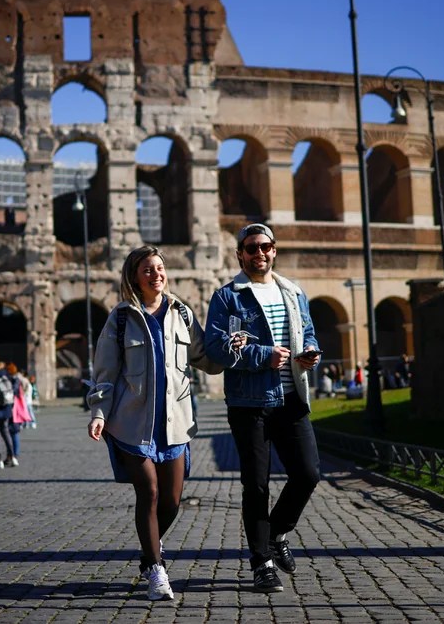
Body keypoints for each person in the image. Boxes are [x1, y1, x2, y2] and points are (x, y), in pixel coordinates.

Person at [86, 245, 228, 602]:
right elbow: (105, 373)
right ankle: (157, 569)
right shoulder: (120, 318)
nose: (156, 274)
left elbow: (203, 359)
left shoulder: (181, 312)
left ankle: (148, 552)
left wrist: (231, 351)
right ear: (135, 276)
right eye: (148, 269)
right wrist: (99, 413)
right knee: (148, 492)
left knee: (173, 500)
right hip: (133, 422)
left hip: (175, 422)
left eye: (160, 268)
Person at [204, 223, 322, 593]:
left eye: (266, 247)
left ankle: (275, 533)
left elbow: (309, 331)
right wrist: (262, 355)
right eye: (251, 248)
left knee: (308, 474)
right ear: (240, 253)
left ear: (274, 250)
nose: (259, 254)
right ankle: (262, 563)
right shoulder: (228, 297)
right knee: (256, 485)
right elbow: (217, 349)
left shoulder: (293, 291)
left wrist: (310, 354)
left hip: (291, 400)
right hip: (249, 404)